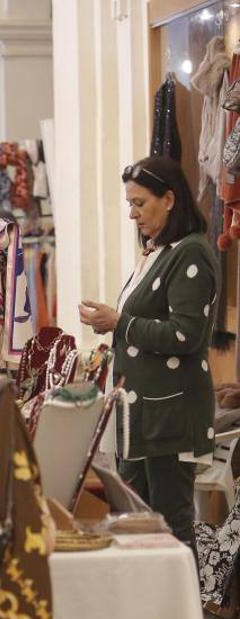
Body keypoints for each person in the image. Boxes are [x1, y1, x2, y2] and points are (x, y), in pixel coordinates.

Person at [79, 156, 217, 555]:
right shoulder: (159, 251)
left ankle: (181, 617)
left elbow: (185, 334)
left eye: (139, 203)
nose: (132, 214)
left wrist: (119, 322)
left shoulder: (190, 254)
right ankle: (146, 615)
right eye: (129, 204)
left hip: (169, 418)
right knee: (134, 526)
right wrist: (114, 324)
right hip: (140, 418)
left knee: (171, 528)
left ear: (169, 199)